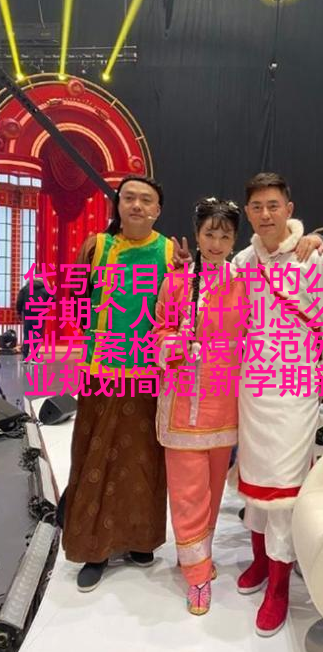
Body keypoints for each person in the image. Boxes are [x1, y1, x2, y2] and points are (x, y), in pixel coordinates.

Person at [233, 173, 323, 637]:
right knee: (255, 479)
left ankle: (279, 585)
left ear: (289, 208)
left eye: (273, 205)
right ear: (248, 212)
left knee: (284, 486)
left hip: (296, 384)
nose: (265, 214)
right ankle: (260, 560)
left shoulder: (312, 259)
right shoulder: (241, 262)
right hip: (252, 384)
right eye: (257, 206)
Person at [62, 175, 174, 592]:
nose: (137, 206)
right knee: (95, 459)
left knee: (144, 462)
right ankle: (94, 548)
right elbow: (75, 300)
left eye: (146, 200)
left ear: (158, 210)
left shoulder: (170, 252)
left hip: (149, 377)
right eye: (129, 198)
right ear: (118, 205)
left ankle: (141, 540)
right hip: (101, 374)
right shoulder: (96, 247)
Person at [154, 197, 248, 616]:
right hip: (183, 403)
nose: (216, 242)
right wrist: (174, 343)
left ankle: (198, 554)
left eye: (225, 235)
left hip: (225, 404)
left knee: (212, 490)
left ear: (234, 239)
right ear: (197, 234)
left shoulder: (245, 281)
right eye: (210, 233)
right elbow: (159, 329)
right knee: (188, 493)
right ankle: (197, 577)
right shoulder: (175, 282)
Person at [16, 278, 50, 361]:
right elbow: (53, 299)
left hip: (27, 314)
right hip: (40, 315)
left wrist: (19, 312)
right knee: (36, 335)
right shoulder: (45, 290)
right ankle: (35, 357)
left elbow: (19, 301)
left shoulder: (24, 289)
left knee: (27, 335)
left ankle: (25, 357)